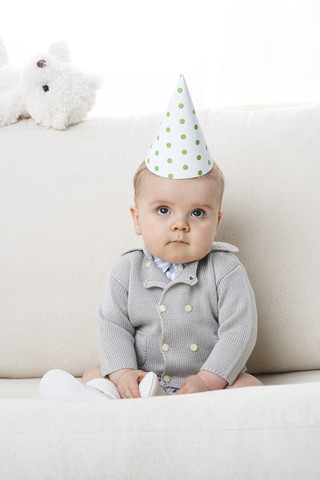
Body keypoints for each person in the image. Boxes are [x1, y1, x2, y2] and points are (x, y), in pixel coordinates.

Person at [39, 75, 262, 402]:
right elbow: (112, 325)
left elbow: (239, 331)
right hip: (144, 380)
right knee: (94, 373)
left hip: (205, 383)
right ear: (137, 220)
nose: (180, 225)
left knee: (250, 386)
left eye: (197, 213)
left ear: (216, 222)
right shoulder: (127, 269)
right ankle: (102, 400)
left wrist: (208, 380)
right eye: (163, 210)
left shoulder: (225, 270)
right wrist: (123, 373)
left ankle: (196, 403)